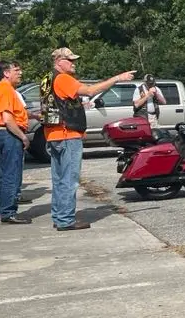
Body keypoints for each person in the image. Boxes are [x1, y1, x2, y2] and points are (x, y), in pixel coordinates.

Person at [42, 47, 135, 231]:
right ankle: (66, 220)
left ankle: (59, 216)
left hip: (53, 135)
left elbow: (59, 102)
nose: (73, 63)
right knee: (69, 179)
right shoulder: (64, 78)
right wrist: (117, 78)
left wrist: (79, 105)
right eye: (70, 60)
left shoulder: (48, 78)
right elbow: (91, 90)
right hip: (67, 135)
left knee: (59, 179)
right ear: (59, 61)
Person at [0, 60, 30, 224]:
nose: (20, 73)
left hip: (2, 134)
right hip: (9, 135)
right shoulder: (5, 88)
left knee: (6, 173)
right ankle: (8, 212)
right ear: (6, 73)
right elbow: (8, 119)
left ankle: (7, 210)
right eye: (16, 70)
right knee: (10, 175)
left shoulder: (3, 88)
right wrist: (22, 136)